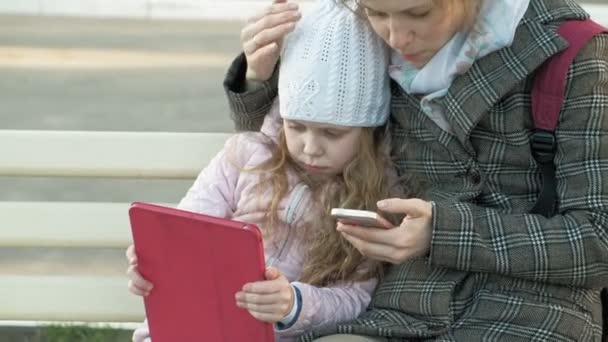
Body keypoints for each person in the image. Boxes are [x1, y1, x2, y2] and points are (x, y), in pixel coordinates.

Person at [224, 0, 608, 340]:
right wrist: (260, 75)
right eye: (376, 12)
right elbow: (295, 159)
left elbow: (599, 240)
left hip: (536, 309)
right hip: (399, 305)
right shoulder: (367, 40)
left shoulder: (574, 54)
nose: (397, 37)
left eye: (419, 13)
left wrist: (440, 232)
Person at [125, 1, 411, 341]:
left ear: (369, 130)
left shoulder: (378, 193)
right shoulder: (247, 155)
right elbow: (188, 226)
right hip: (192, 325)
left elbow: (356, 296)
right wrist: (157, 259)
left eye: (333, 133)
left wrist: (294, 303)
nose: (310, 146)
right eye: (297, 126)